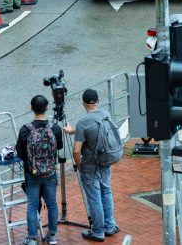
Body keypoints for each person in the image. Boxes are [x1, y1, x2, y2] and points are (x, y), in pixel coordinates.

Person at [63, 89, 120, 241]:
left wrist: (78, 164)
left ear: (83, 103)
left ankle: (98, 231)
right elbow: (91, 129)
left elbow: (76, 151)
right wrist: (72, 131)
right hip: (105, 161)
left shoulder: (83, 122)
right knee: (106, 192)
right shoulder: (106, 114)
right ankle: (109, 226)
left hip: (90, 166)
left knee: (94, 198)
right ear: (97, 101)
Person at [16, 95, 62, 245]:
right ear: (47, 107)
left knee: (32, 205)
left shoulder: (25, 130)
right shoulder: (54, 128)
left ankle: (32, 238)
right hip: (50, 173)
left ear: (31, 108)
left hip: (32, 173)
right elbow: (59, 146)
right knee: (52, 204)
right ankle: (52, 236)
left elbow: (21, 153)